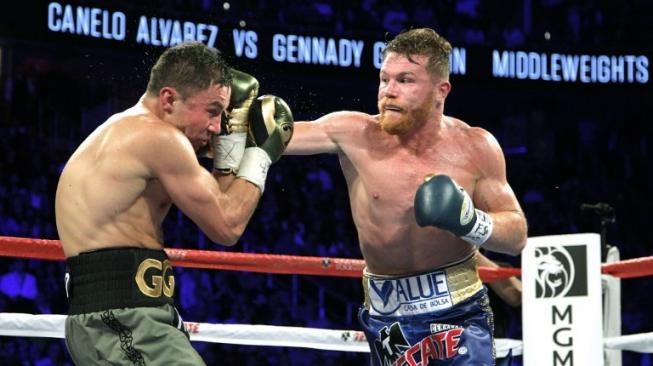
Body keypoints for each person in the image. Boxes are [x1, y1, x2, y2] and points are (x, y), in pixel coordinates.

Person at [285, 28, 527, 365]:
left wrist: (471, 222)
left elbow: (516, 236)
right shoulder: (353, 133)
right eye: (384, 79)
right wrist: (230, 126)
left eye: (405, 80)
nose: (388, 92)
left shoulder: (475, 147)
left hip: (460, 311)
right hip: (388, 320)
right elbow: (274, 138)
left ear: (441, 91)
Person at [54, 42, 293, 365]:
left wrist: (236, 136)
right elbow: (227, 224)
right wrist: (261, 155)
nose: (216, 126)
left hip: (120, 315)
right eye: (211, 111)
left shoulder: (128, 131)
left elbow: (219, 197)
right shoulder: (159, 138)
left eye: (223, 116)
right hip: (125, 318)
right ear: (168, 99)